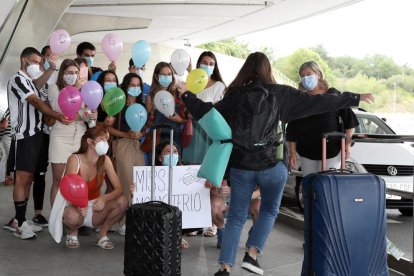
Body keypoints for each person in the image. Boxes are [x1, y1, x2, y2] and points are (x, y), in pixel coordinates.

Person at [178, 52, 374, 275]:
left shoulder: (235, 95)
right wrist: (354, 98)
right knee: (270, 210)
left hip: (242, 167)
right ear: (267, 69)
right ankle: (252, 254)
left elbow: (208, 113)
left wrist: (187, 96)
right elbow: (321, 102)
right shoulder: (282, 94)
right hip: (272, 166)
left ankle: (225, 267)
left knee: (236, 217)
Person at [7, 47, 70, 240]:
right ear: (23, 61)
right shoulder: (17, 79)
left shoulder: (30, 81)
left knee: (30, 179)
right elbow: (34, 101)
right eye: (34, 62)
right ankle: (19, 223)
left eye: (39, 62)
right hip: (24, 136)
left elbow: (37, 84)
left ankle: (20, 220)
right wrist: (57, 115)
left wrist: (50, 69)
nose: (37, 65)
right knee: (22, 179)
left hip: (37, 135)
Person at [286, 61, 360, 176]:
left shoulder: (333, 95)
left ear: (318, 75)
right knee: (309, 186)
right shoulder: (300, 100)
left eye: (309, 74)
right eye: (302, 76)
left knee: (327, 187)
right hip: (307, 153)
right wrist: (292, 153)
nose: (306, 78)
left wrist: (347, 145)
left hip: (331, 152)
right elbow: (292, 129)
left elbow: (349, 122)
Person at [62, 127, 128, 249]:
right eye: (102, 139)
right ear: (89, 142)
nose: (105, 143)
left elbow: (119, 188)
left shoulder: (105, 160)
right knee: (70, 215)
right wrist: (78, 205)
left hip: (95, 208)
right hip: (75, 206)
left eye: (106, 140)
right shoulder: (74, 159)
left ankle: (102, 234)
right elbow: (68, 189)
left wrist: (104, 198)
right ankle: (73, 232)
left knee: (123, 201)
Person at [48, 59, 95, 206]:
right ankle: (57, 220)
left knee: (77, 178)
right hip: (60, 137)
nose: (73, 76)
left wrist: (87, 115)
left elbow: (88, 112)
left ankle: (74, 216)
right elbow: (58, 109)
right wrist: (76, 90)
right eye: (70, 72)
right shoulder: (54, 88)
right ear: (62, 73)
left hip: (80, 136)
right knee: (58, 180)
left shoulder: (84, 88)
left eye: (76, 72)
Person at [106, 72, 146, 235]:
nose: (135, 88)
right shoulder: (119, 103)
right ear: (125, 85)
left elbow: (144, 126)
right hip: (122, 144)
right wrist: (126, 134)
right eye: (132, 85)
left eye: (138, 85)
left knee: (140, 182)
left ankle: (135, 218)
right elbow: (109, 128)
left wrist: (141, 134)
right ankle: (121, 221)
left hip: (138, 145)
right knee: (126, 182)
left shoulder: (142, 104)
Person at [182, 51, 226, 165]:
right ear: (199, 64)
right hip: (191, 131)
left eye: (211, 64)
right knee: (190, 171)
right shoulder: (192, 83)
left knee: (207, 167)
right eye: (205, 63)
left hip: (209, 133)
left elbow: (218, 112)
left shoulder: (219, 86)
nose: (208, 66)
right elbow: (186, 107)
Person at [146, 62, 186, 151]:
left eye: (169, 74)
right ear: (156, 76)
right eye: (163, 75)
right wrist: (152, 113)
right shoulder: (151, 96)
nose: (167, 77)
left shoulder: (178, 93)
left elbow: (188, 118)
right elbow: (148, 123)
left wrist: (179, 120)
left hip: (176, 137)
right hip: (158, 138)